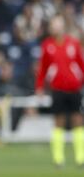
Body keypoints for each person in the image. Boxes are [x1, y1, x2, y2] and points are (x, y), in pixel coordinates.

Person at [35, 15, 84, 168]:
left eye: (58, 24)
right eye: (53, 24)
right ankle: (58, 159)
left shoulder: (73, 44)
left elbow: (81, 65)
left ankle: (80, 158)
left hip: (74, 88)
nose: (56, 27)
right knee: (59, 122)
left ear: (63, 26)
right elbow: (42, 68)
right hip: (58, 89)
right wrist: (40, 87)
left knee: (78, 121)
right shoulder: (47, 45)